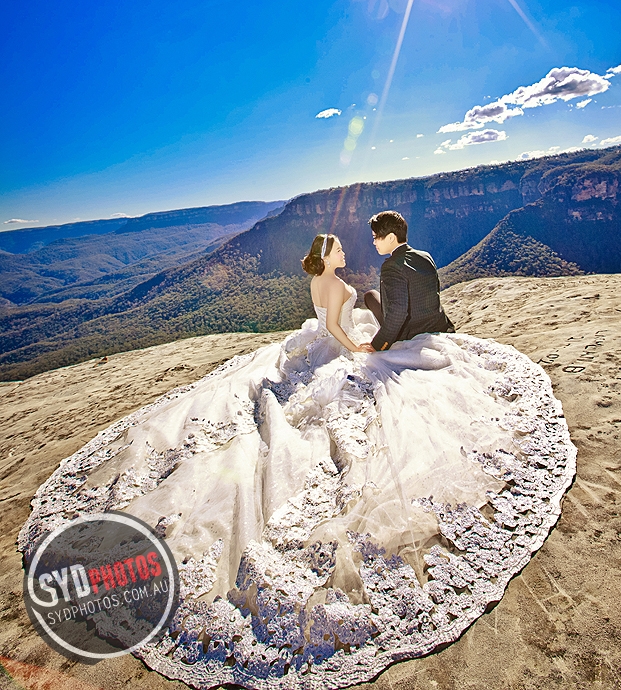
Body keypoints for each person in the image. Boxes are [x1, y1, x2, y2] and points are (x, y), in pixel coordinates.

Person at [20, 224, 576, 688]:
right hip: (339, 346)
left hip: (332, 340)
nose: (348, 250)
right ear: (328, 256)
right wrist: (360, 348)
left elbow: (332, 315)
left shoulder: (322, 278)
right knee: (354, 416)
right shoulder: (334, 281)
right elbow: (334, 326)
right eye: (340, 248)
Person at [362, 210, 454, 352]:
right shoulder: (425, 256)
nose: (374, 242)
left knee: (369, 297)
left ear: (391, 238)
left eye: (376, 237)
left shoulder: (391, 266)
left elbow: (398, 311)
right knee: (371, 296)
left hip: (410, 334)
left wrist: (378, 344)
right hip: (437, 325)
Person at [301, 232, 374, 353]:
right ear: (325, 257)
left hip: (322, 339)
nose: (343, 253)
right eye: (338, 250)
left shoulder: (315, 280)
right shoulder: (336, 285)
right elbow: (331, 325)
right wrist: (355, 348)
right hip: (341, 340)